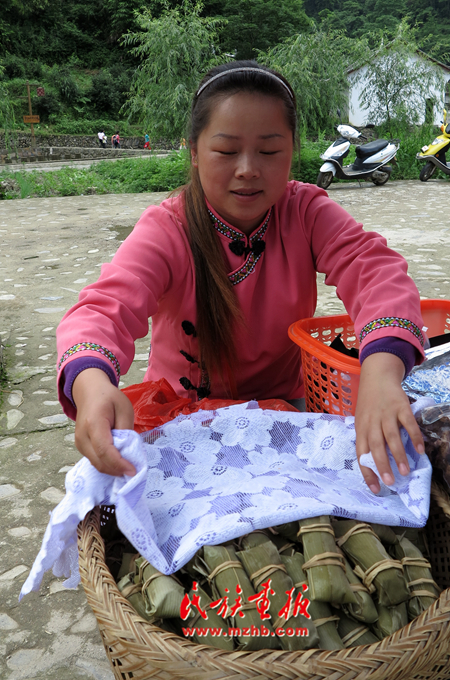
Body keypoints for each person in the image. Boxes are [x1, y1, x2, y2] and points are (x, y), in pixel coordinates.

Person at [56, 60, 426, 492]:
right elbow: (104, 310)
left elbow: (374, 270)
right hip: (182, 418)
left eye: (269, 152)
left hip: (285, 413)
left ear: (293, 151)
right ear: (194, 152)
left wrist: (381, 372)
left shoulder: (305, 211)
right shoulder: (167, 228)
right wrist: (91, 384)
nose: (248, 168)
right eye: (227, 151)